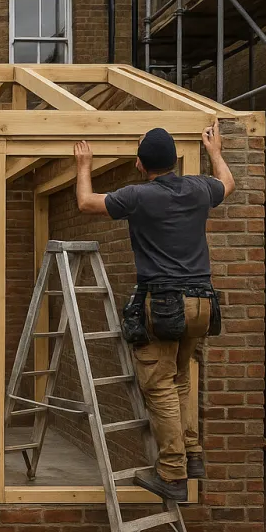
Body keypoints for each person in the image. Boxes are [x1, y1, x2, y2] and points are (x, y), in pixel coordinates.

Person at [73, 125, 235, 503]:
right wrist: (215, 151)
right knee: (179, 378)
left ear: (139, 164)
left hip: (163, 303)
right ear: (173, 161)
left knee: (158, 384)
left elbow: (85, 202)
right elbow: (227, 182)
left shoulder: (138, 196)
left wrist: (84, 164)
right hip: (202, 302)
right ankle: (191, 456)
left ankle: (172, 474)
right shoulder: (199, 189)